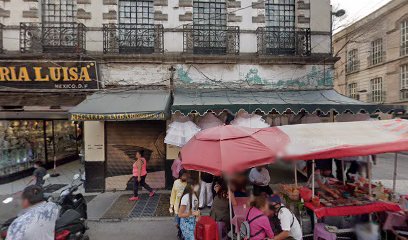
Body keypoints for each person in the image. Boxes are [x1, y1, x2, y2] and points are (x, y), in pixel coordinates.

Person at [170, 169, 190, 240]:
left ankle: (182, 235)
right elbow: (173, 194)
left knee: (184, 223)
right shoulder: (176, 183)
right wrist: (171, 206)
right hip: (177, 208)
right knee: (178, 224)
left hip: (185, 208)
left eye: (186, 176)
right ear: (180, 176)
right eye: (183, 176)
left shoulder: (188, 184)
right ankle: (180, 231)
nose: (185, 177)